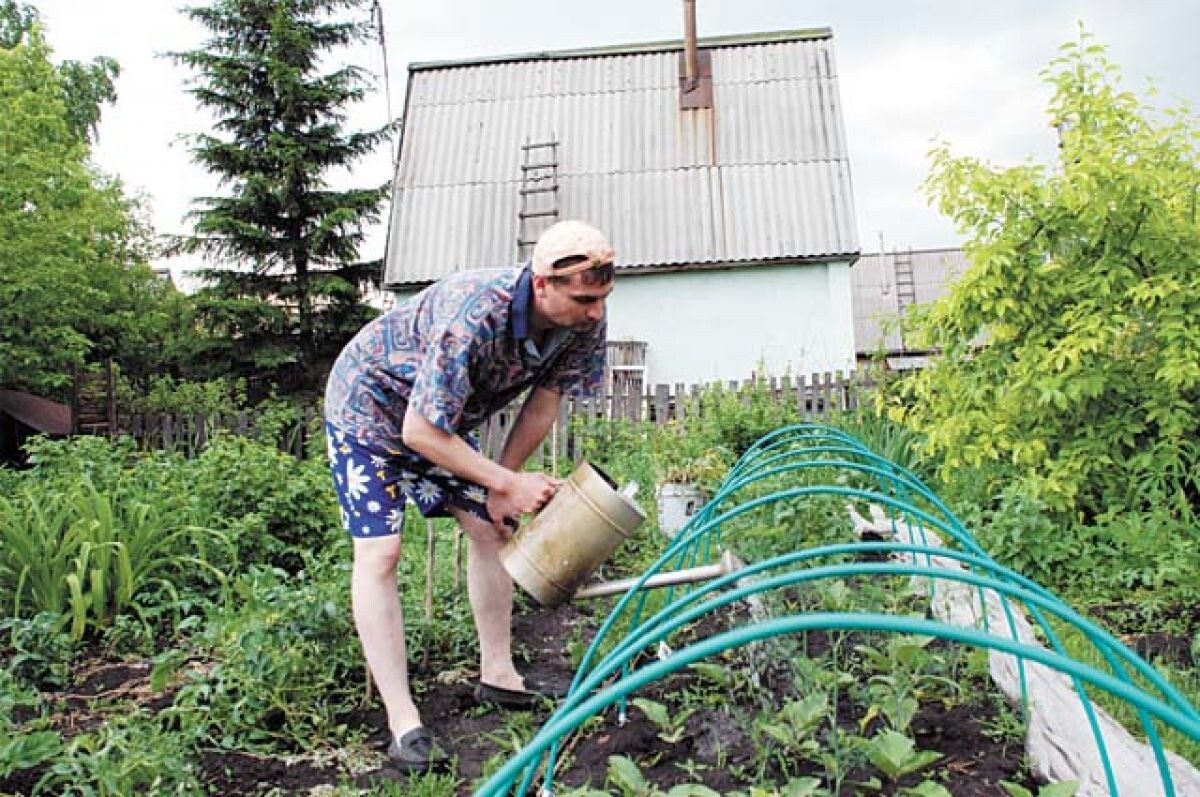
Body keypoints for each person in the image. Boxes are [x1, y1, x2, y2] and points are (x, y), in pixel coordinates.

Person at [323, 220, 615, 773]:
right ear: (542, 284)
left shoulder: (582, 322)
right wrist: (504, 483)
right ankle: (404, 723)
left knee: (490, 526)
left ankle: (499, 676)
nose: (597, 312)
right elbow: (417, 432)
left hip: (438, 421)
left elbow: (544, 403)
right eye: (584, 299)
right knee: (381, 553)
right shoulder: (475, 314)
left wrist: (503, 484)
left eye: (603, 297)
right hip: (369, 410)